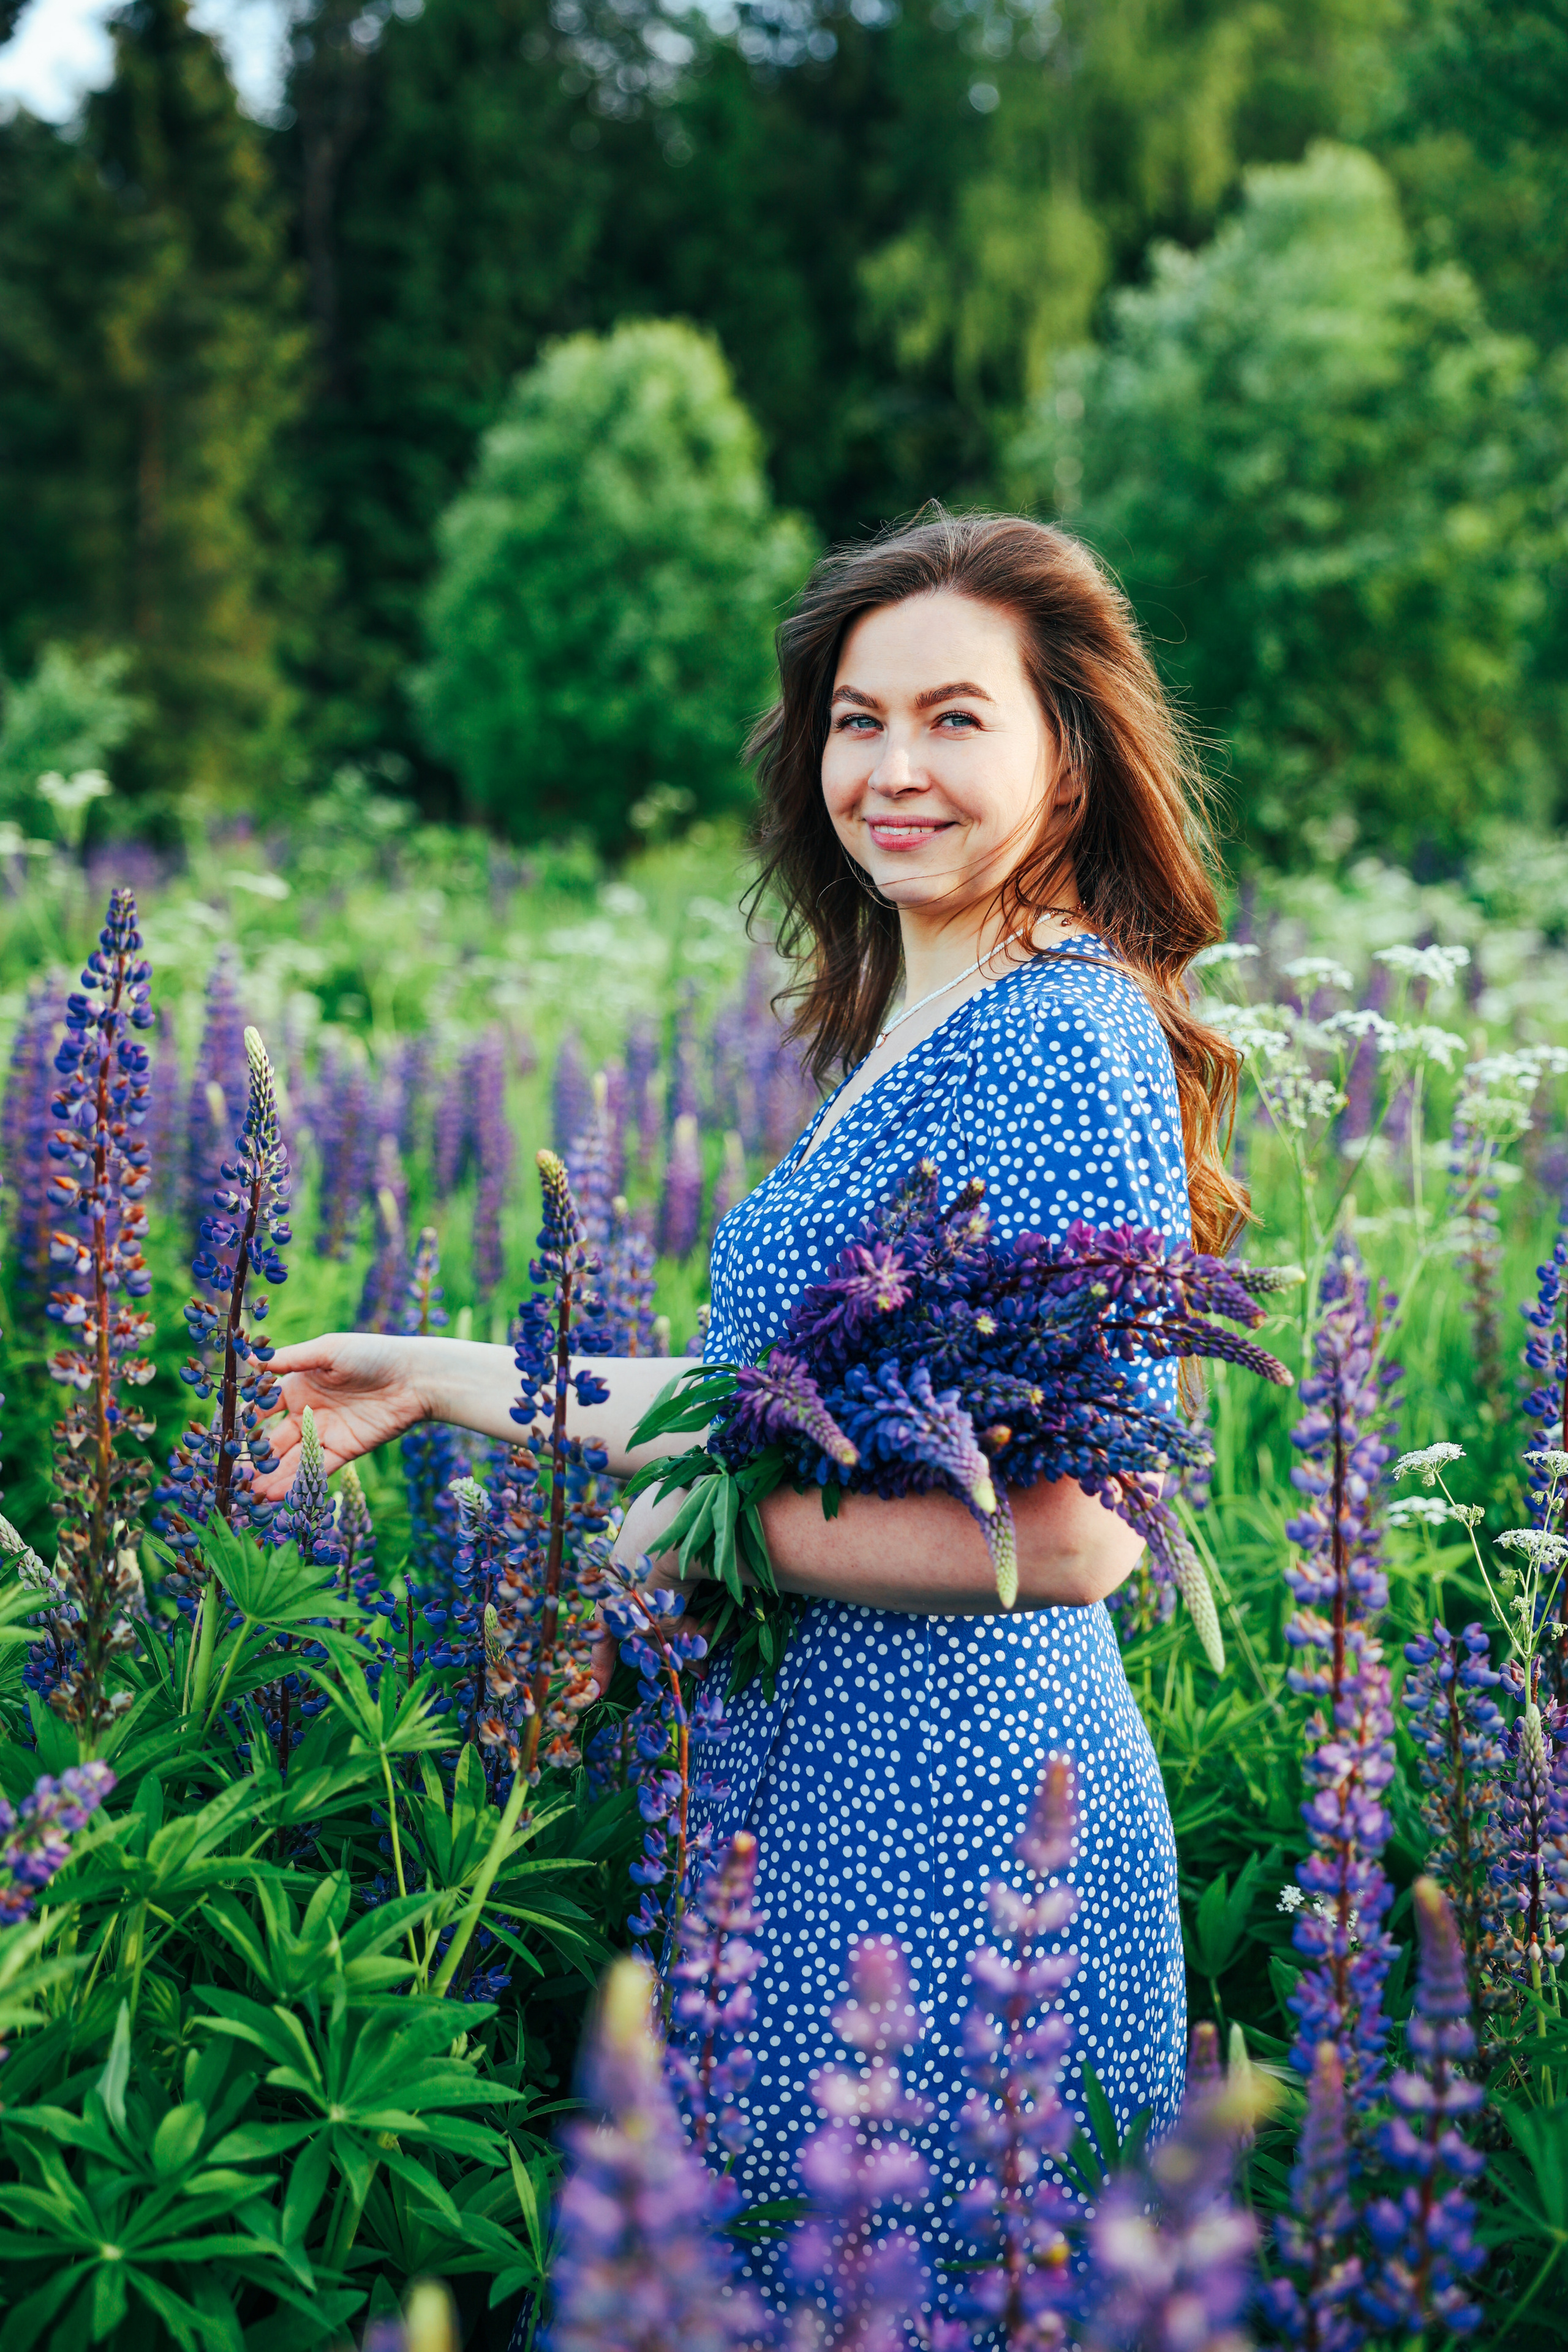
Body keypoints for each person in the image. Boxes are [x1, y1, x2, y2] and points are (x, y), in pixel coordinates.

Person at [258, 508, 1247, 2310]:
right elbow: (780, 1408)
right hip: (817, 1798)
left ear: (1071, 753)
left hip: (958, 1823)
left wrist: (706, 1540)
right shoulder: (925, 1020)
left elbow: (1081, 1531)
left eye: (955, 719)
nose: (892, 769)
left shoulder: (1058, 1033)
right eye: (858, 721)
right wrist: (449, 1378)